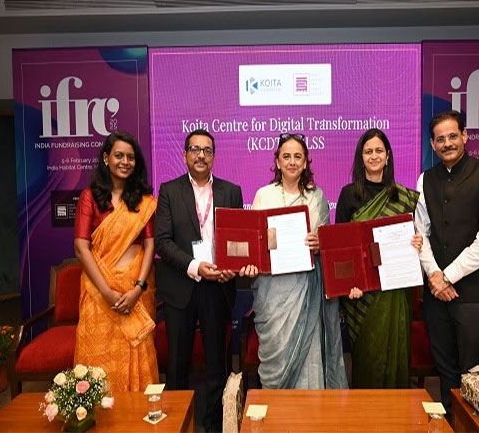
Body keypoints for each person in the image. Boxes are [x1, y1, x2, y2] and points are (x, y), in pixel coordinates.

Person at [154, 129, 256, 432]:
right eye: (195, 149)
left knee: (216, 366)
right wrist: (197, 265)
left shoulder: (231, 191)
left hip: (218, 288)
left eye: (207, 150)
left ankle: (213, 426)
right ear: (185, 154)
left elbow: (238, 239)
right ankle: (178, 425)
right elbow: (162, 242)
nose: (201, 155)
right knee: (177, 366)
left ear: (214, 156)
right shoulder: (169, 191)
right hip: (181, 288)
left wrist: (231, 267)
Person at [415, 110, 479, 414]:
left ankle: (469, 425)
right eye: (440, 139)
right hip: (436, 294)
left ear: (465, 136)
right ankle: (447, 423)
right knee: (445, 370)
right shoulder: (425, 179)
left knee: (472, 372)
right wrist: (434, 276)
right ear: (432, 144)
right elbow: (421, 234)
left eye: (453, 136)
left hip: (473, 294)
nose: (447, 143)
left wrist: (447, 276)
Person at [250, 133, 348, 390]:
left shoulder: (317, 197)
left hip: (308, 294)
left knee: (309, 362)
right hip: (273, 295)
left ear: (305, 163)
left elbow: (327, 245)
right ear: (278, 162)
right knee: (275, 364)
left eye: (298, 156)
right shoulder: (264, 195)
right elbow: (257, 243)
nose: (292, 162)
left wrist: (320, 243)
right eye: (286, 156)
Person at [335, 129, 422, 388]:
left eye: (379, 151)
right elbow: (341, 248)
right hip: (361, 295)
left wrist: (416, 243)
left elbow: (414, 240)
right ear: (361, 158)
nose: (374, 156)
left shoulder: (404, 197)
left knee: (395, 359)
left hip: (395, 292)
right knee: (366, 361)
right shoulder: (349, 195)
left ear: (388, 156)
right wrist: (348, 284)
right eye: (368, 151)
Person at [74, 131, 158, 392]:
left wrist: (138, 288)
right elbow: (81, 246)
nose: (125, 162)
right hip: (99, 293)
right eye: (119, 156)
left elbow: (150, 245)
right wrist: (107, 291)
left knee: (138, 355)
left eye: (131, 157)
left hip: (135, 292)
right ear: (106, 158)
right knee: (100, 362)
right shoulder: (90, 197)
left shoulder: (143, 202)